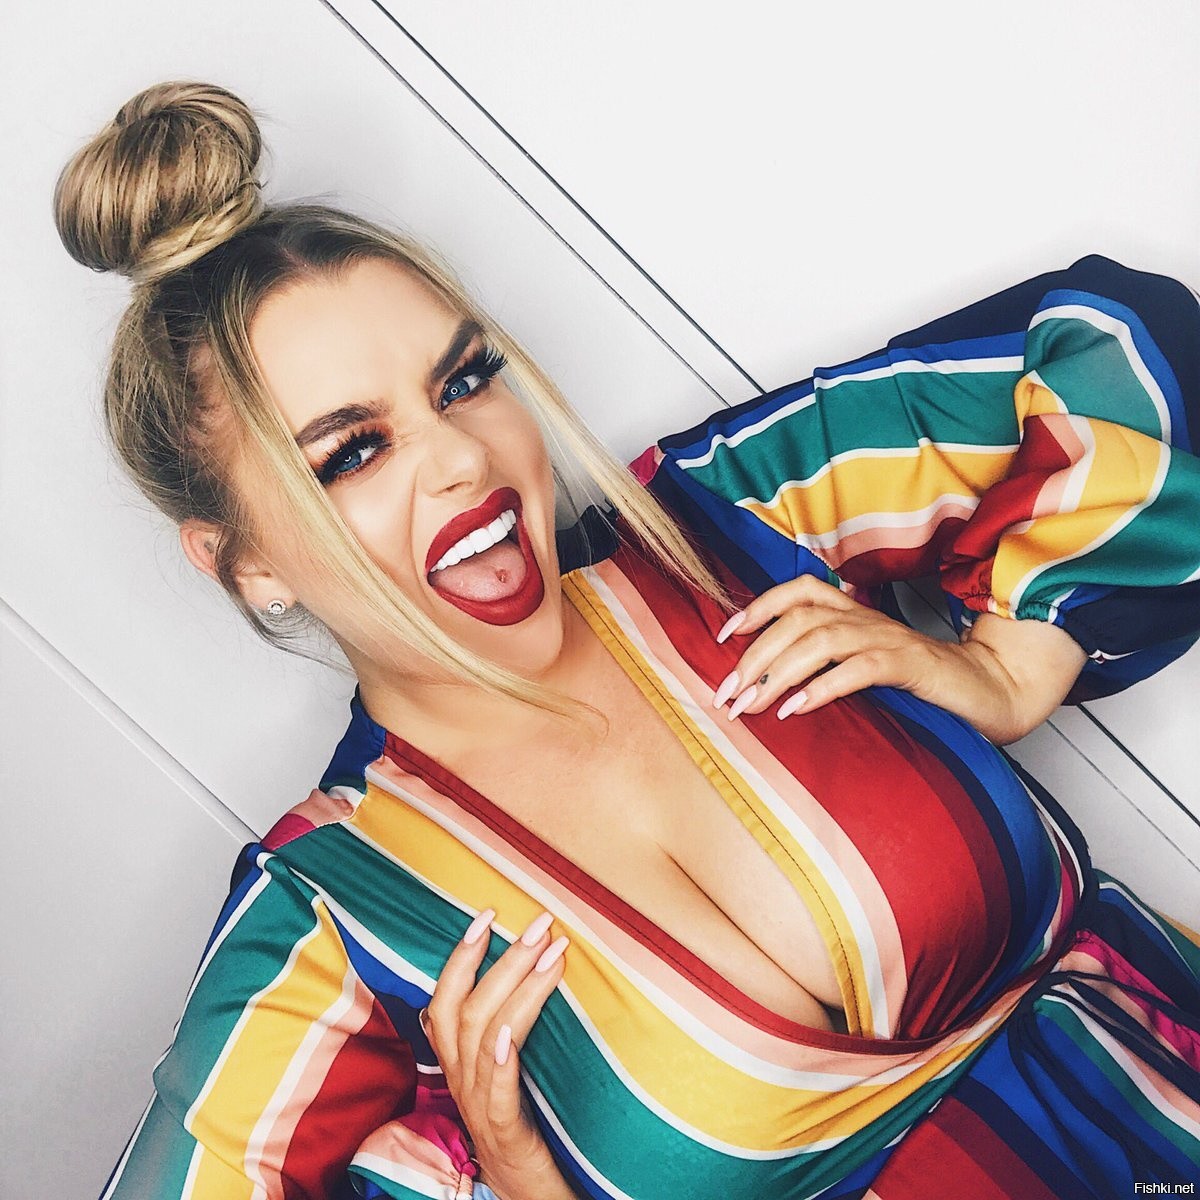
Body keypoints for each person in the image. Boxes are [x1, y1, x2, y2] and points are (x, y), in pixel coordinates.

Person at [58, 82, 1200, 1200]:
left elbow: (1118, 345)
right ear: (245, 562)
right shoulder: (331, 912)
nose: (462, 457)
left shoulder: (717, 528)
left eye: (465, 381)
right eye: (352, 452)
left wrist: (1012, 665)